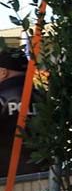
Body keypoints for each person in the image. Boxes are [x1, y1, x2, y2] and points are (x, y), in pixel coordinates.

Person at [0, 46, 44, 177]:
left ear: (3, 72)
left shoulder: (2, 98)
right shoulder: (42, 97)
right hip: (42, 173)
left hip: (5, 175)